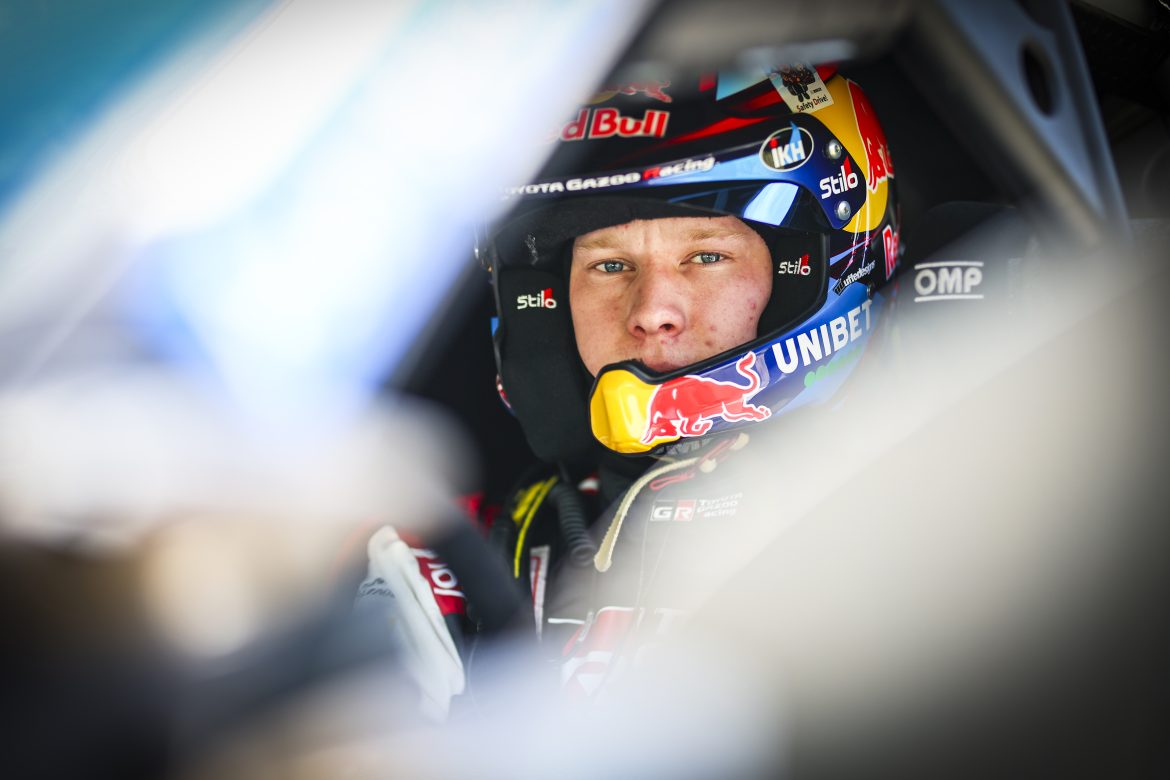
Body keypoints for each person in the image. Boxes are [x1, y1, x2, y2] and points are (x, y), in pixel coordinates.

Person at [362, 62, 902, 709]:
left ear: (806, 272)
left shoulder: (935, 525)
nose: (651, 311)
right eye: (610, 265)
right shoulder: (455, 561)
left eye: (707, 257)